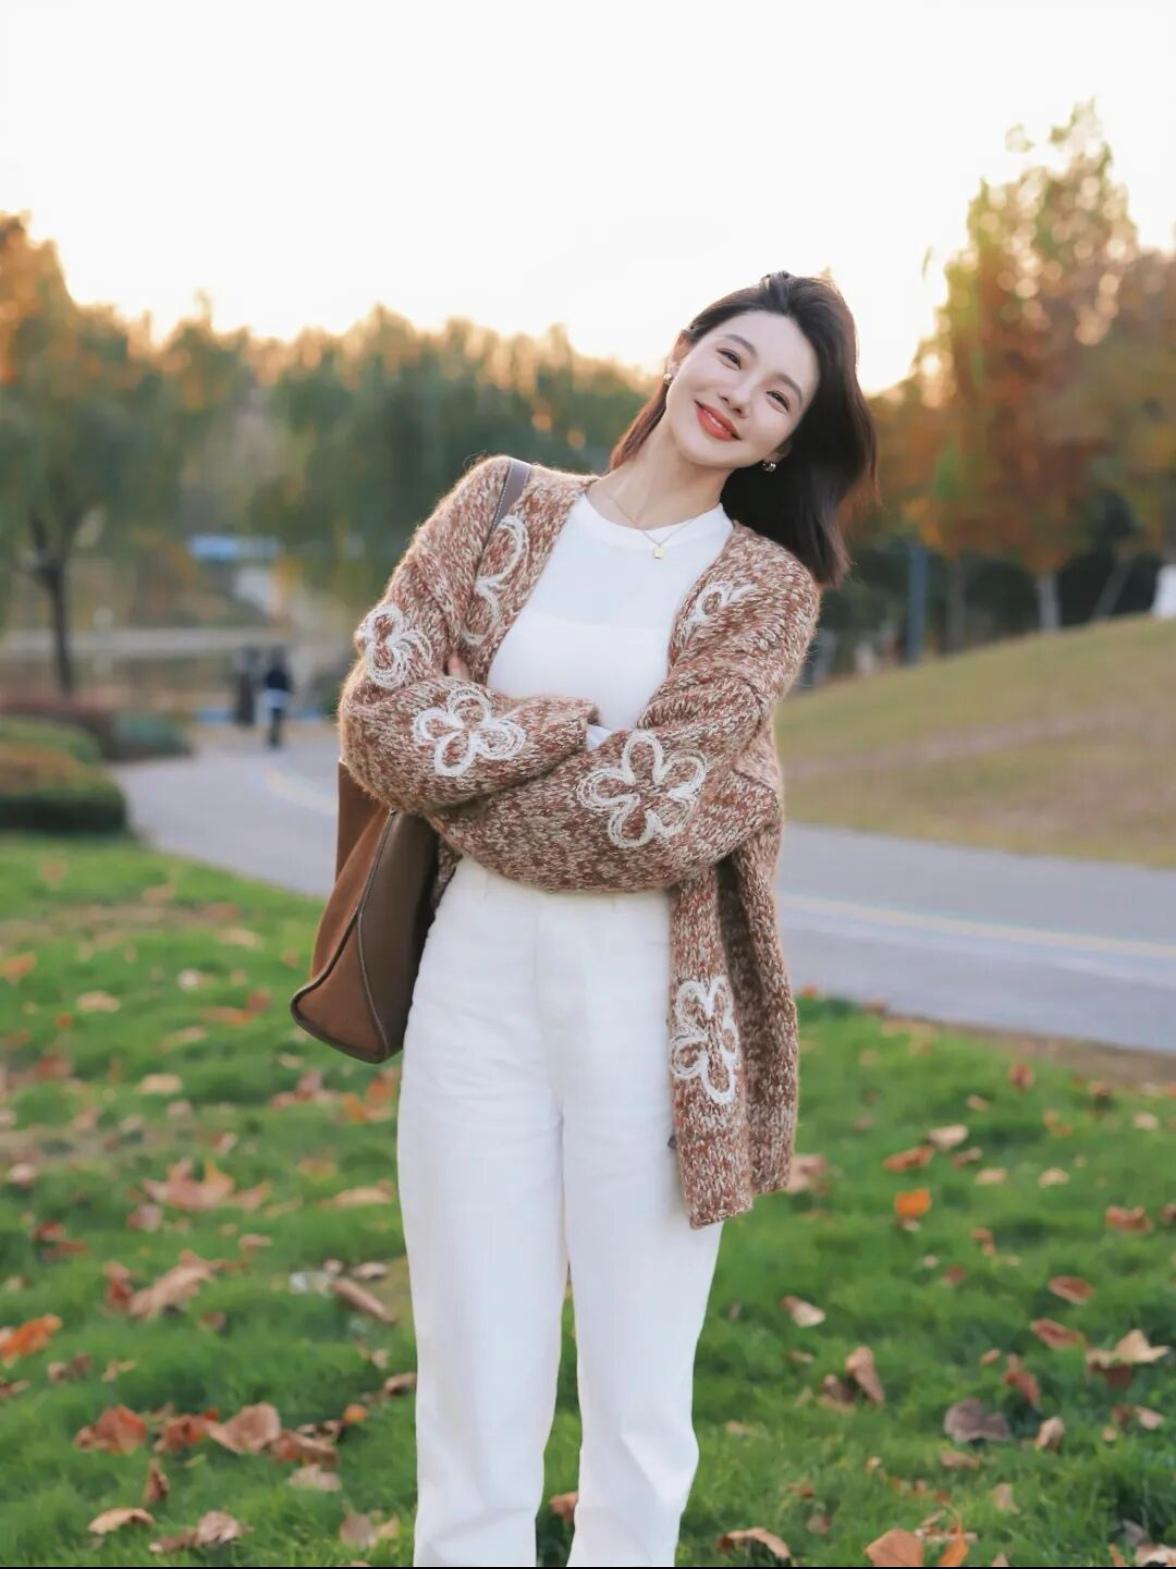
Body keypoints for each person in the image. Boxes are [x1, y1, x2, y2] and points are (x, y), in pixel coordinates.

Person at [338, 271, 876, 1567]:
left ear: (785, 443)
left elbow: (651, 817)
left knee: (637, 1407)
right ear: (683, 348)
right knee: (475, 1384)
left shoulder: (764, 586)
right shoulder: (498, 505)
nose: (739, 396)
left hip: (653, 1014)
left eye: (778, 397)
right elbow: (377, 718)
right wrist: (565, 736)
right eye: (732, 357)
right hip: (473, 993)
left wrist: (473, 761)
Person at [260, 647, 293, 749]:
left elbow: (264, 683)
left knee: (273, 719)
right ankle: (275, 739)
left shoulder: (270, 671)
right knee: (277, 719)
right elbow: (287, 685)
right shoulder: (282, 672)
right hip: (278, 696)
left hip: (272, 696)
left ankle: (273, 739)